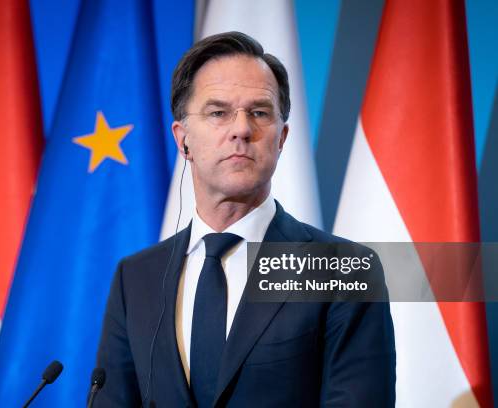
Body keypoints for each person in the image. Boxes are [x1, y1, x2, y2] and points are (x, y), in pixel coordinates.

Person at [94, 31, 395, 407]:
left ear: (281, 138)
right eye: (218, 112)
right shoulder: (135, 278)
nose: (241, 129)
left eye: (259, 113)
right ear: (182, 139)